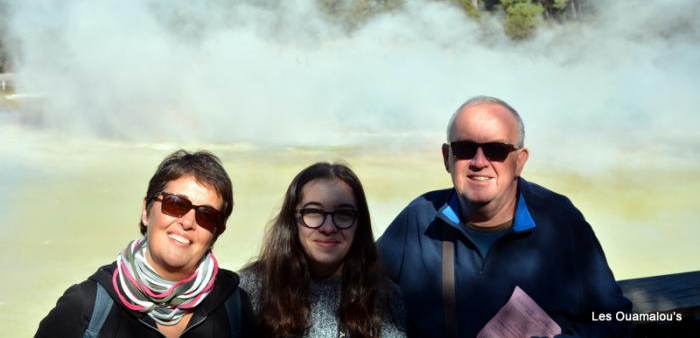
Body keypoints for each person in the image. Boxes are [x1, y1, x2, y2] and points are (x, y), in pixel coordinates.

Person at [377, 96, 632, 337]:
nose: (479, 162)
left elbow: (616, 319)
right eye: (465, 148)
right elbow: (356, 295)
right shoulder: (418, 218)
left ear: (520, 161)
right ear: (447, 158)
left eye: (496, 150)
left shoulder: (561, 221)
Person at [36, 150, 256, 337]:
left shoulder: (234, 306)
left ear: (217, 231)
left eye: (207, 215)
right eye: (176, 204)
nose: (187, 222)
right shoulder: (85, 306)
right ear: (146, 211)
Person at [239, 162, 406, 338]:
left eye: (343, 214)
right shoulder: (248, 291)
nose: (328, 228)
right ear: (291, 221)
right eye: (314, 212)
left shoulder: (384, 298)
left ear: (359, 225)